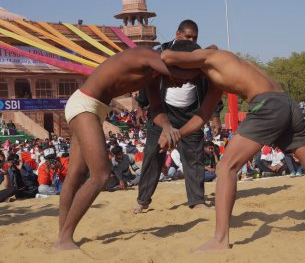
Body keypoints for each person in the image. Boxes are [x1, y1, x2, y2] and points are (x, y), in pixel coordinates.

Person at [159, 40, 305, 251]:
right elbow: (202, 117)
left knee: (226, 167)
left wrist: (162, 63)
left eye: (177, 77)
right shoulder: (215, 77)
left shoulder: (208, 57)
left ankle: (220, 240)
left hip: (267, 105)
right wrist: (175, 134)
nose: (178, 83)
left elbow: (166, 56)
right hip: (287, 104)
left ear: (187, 64)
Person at [54, 47, 198, 250]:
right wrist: (205, 62)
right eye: (178, 83)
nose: (179, 84)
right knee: (101, 174)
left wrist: (166, 127)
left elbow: (157, 108)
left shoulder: (152, 76)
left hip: (92, 107)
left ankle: (63, 234)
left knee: (77, 173)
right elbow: (179, 73)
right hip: (85, 103)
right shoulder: (150, 56)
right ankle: (64, 237)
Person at [133, 19, 224, 213]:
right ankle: (142, 200)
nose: (192, 40)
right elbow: (148, 79)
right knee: (153, 155)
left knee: (194, 157)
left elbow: (211, 84)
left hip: (191, 113)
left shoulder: (200, 55)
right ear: (177, 35)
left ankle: (197, 200)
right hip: (162, 112)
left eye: (195, 37)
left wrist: (215, 114)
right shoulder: (161, 53)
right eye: (188, 36)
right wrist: (141, 104)